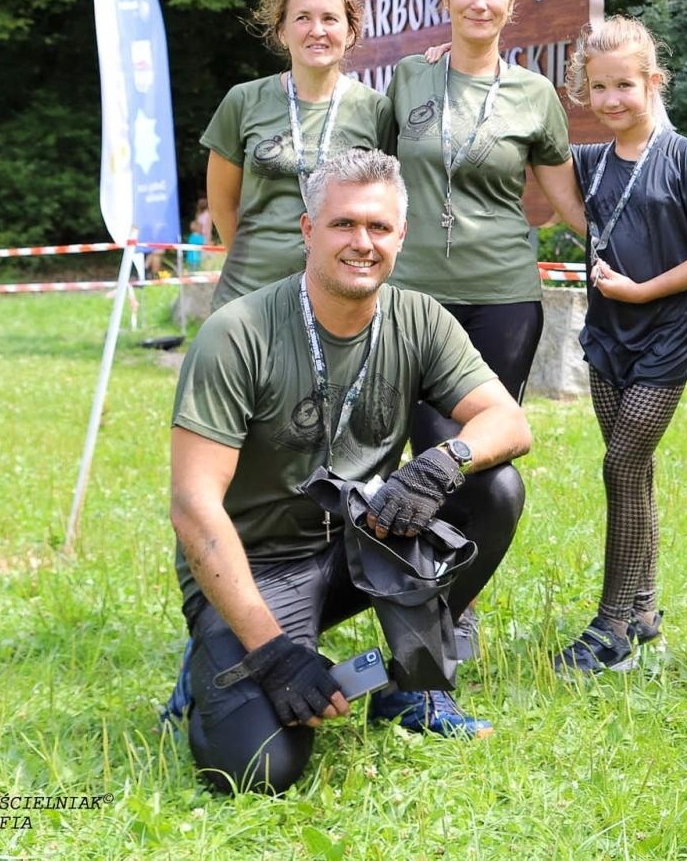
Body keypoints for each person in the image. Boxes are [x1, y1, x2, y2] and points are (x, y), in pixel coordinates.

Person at [169, 151, 532, 793]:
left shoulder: (420, 319)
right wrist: (273, 653)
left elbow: (509, 422)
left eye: (379, 227)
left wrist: (440, 464)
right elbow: (194, 506)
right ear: (308, 230)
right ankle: (216, 653)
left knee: (493, 488)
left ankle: (411, 686)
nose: (362, 242)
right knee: (258, 770)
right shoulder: (238, 333)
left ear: (401, 236)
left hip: (365, 542)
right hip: (256, 566)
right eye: (343, 224)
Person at [386, 0, 588, 657]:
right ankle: (418, 592)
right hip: (412, 299)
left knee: (478, 456)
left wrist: (656, 256)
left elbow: (571, 205)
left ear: (511, 4)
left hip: (503, 298)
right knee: (425, 450)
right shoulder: (409, 78)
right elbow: (370, 174)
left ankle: (456, 604)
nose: (479, 1)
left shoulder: (535, 95)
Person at [549, 16, 687, 675]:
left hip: (664, 337)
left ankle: (611, 629)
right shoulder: (589, 161)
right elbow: (539, 161)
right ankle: (646, 611)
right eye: (598, 87)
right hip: (607, 338)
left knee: (622, 466)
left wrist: (643, 291)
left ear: (652, 82)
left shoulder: (686, 157)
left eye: (624, 85)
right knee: (634, 474)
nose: (611, 100)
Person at [203, 0, 396, 311]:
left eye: (330, 19)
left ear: (350, 32)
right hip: (249, 293)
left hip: (338, 300)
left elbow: (386, 207)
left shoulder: (376, 110)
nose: (317, 30)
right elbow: (222, 203)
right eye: (303, 18)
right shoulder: (243, 101)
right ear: (282, 31)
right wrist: (255, 259)